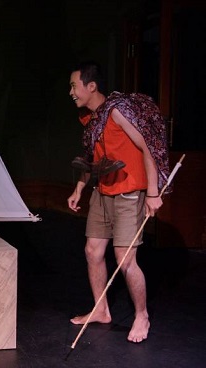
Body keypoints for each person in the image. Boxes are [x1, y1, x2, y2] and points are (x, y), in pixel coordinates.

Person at [67, 61, 170, 343]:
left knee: (125, 258)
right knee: (92, 251)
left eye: (74, 86)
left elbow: (147, 150)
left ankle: (142, 315)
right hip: (103, 191)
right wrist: (79, 188)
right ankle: (101, 309)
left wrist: (153, 193)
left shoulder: (116, 111)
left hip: (128, 192)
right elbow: (93, 158)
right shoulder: (90, 118)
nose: (71, 92)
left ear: (91, 86)